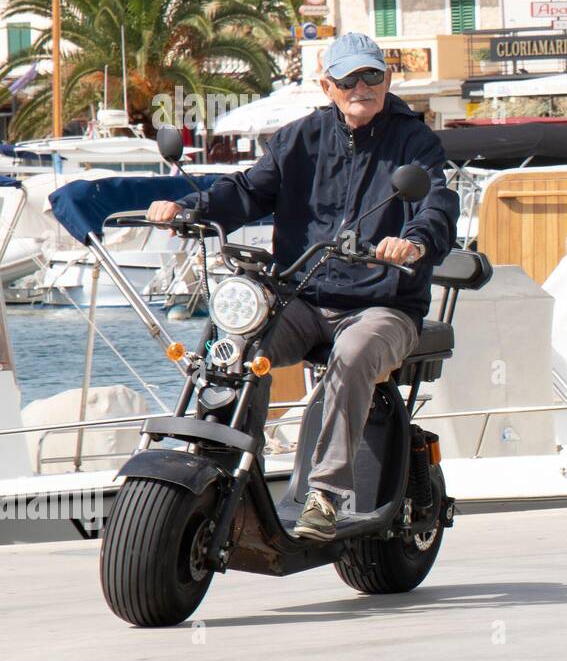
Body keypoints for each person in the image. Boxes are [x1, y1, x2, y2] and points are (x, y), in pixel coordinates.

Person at [147, 33, 459, 541]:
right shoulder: (300, 138)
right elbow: (247, 192)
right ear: (327, 85)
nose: (362, 87)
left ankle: (327, 495)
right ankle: (222, 465)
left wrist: (416, 242)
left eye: (372, 76)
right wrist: (189, 209)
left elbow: (437, 203)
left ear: (387, 78)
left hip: (384, 303)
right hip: (305, 298)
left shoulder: (414, 141)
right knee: (236, 339)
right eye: (349, 78)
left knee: (356, 351)